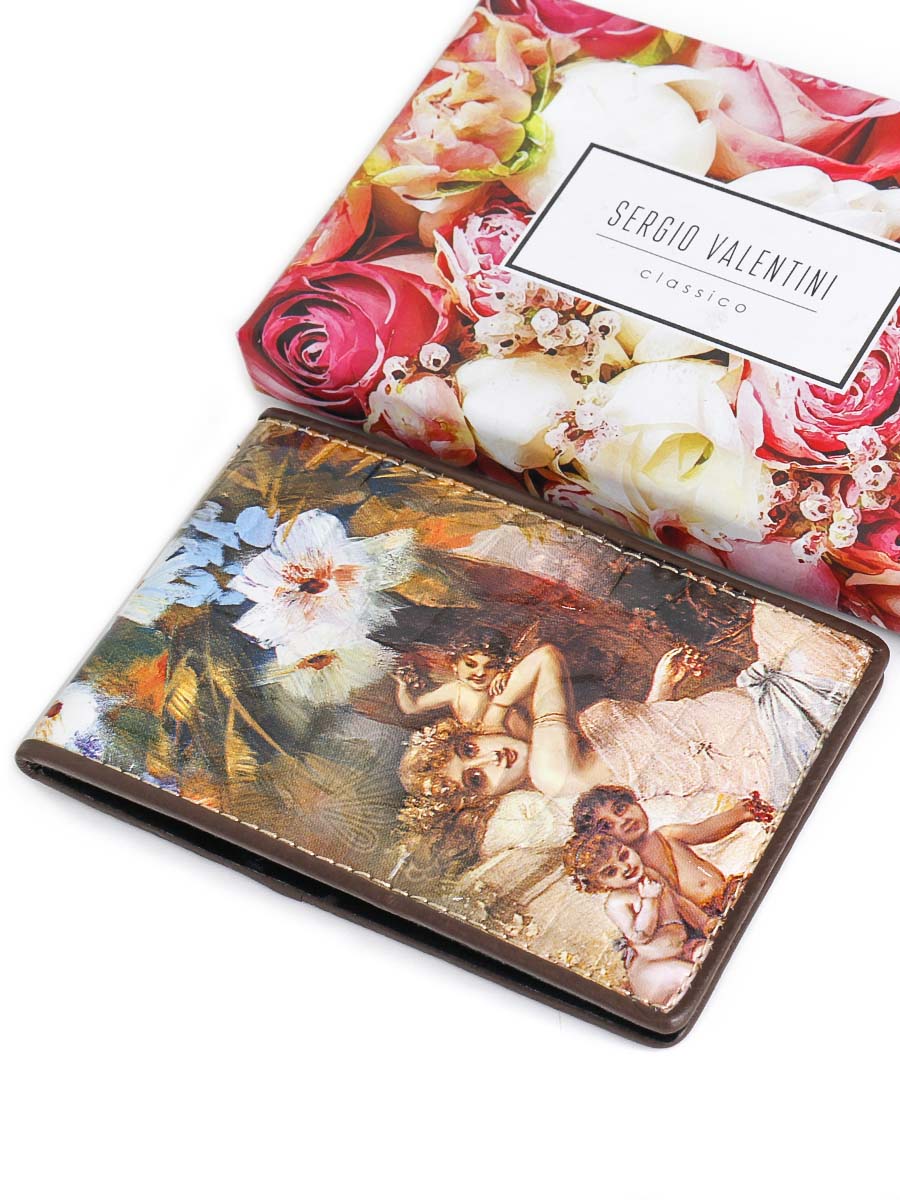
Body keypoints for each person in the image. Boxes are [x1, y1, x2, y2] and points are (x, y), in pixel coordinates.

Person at [570, 785, 776, 921]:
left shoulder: (667, 835)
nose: (622, 821)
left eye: (620, 808)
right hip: (701, 919)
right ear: (600, 840)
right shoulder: (627, 871)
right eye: (607, 826)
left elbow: (704, 831)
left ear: (635, 803)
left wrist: (739, 814)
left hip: (727, 892)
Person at [393, 627, 529, 738]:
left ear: (500, 666)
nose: (480, 673)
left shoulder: (503, 683)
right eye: (470, 664)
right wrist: (402, 686)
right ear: (455, 664)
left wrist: (508, 674)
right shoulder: (454, 690)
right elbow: (411, 707)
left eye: (490, 666)